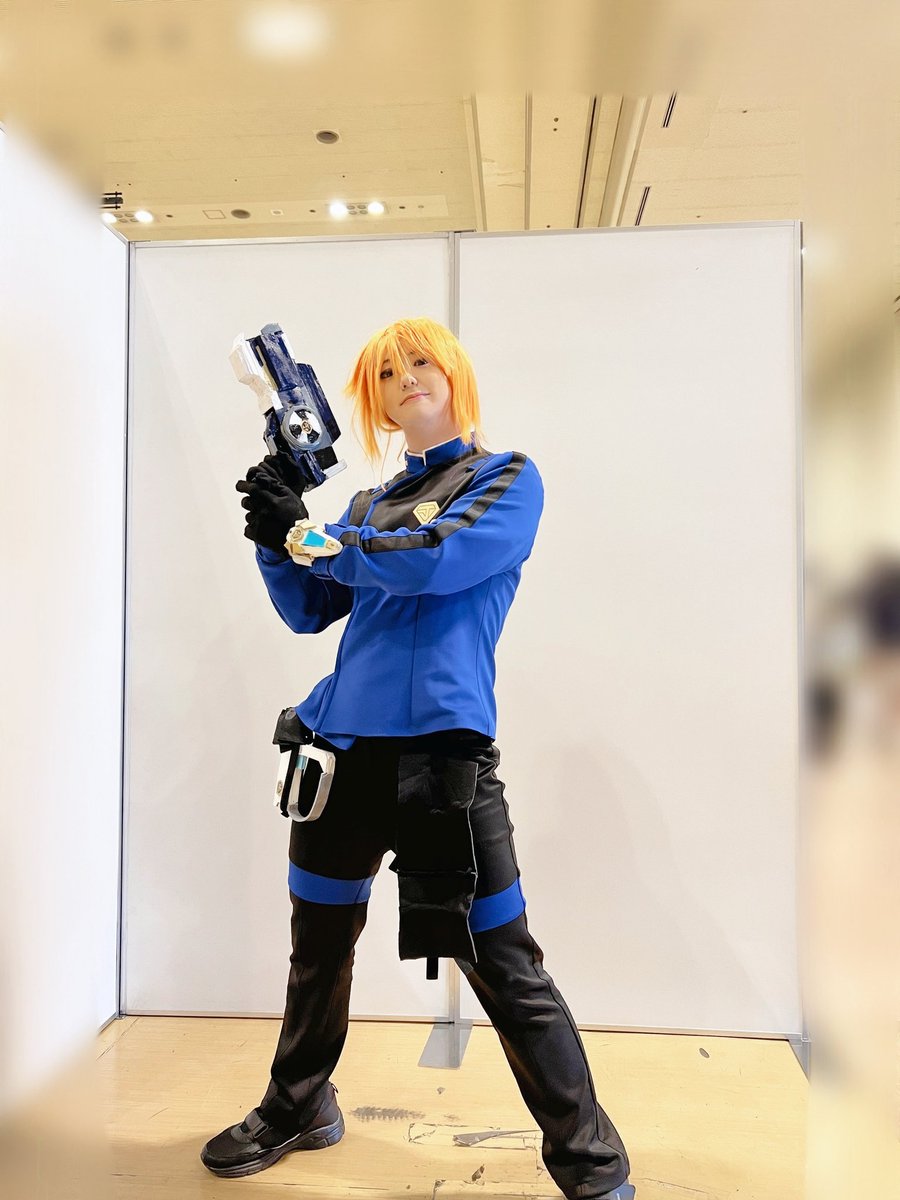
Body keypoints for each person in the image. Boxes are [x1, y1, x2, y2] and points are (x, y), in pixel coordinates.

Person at [200, 317, 635, 1199]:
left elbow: (437, 558)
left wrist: (308, 537)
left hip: (444, 767)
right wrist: (273, 534)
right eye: (387, 374)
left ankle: (592, 1168)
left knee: (505, 966)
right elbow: (309, 608)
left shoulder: (506, 479)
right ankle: (298, 1104)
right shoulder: (366, 508)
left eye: (420, 362)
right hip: (339, 758)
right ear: (377, 405)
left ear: (454, 372)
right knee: (318, 947)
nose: (405, 379)